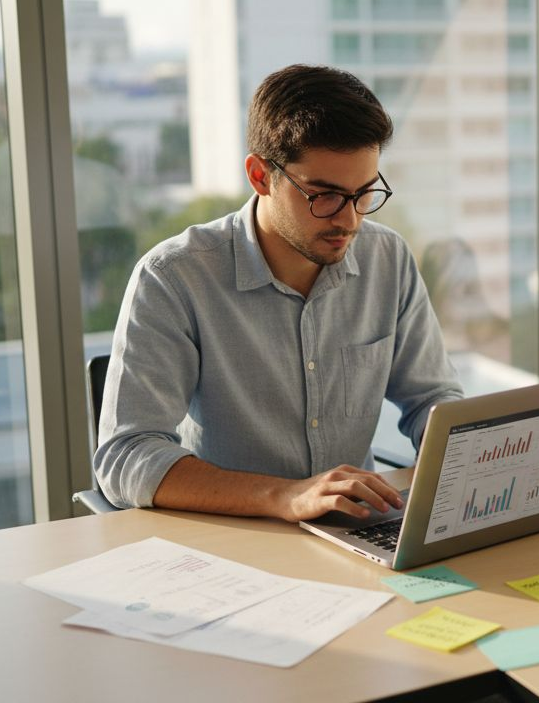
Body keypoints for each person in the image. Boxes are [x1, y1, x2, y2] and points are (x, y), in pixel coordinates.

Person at [95, 64, 463, 522]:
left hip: (356, 529)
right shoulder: (173, 278)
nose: (349, 220)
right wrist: (287, 496)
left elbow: (432, 398)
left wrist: (468, 456)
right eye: (324, 195)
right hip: (232, 538)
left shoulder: (387, 259)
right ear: (259, 175)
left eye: (364, 193)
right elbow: (126, 456)